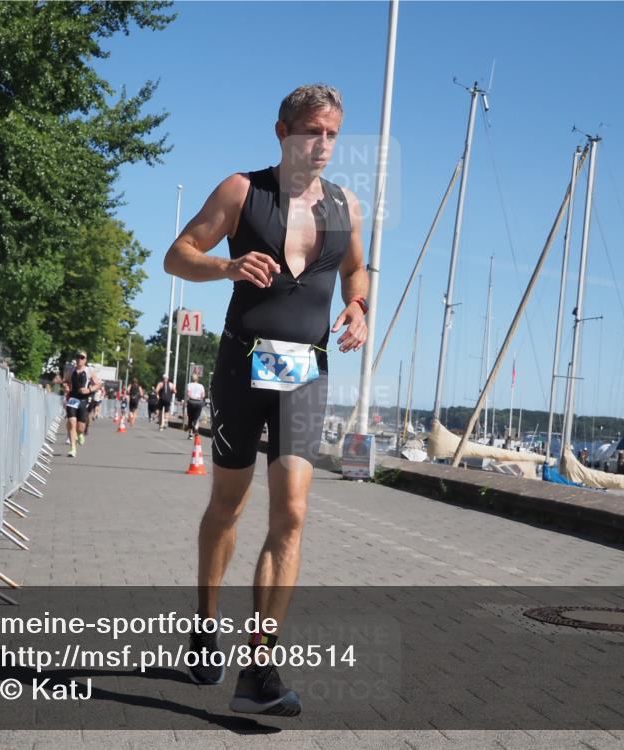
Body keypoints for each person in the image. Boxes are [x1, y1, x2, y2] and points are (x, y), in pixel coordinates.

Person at [163, 84, 368, 716]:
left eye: (332, 133)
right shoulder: (241, 191)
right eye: (312, 131)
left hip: (306, 373)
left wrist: (359, 306)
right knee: (227, 506)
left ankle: (259, 669)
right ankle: (203, 623)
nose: (323, 144)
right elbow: (178, 255)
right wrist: (224, 268)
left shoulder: (345, 206)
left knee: (293, 514)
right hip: (241, 369)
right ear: (282, 131)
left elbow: (357, 270)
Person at [64, 352, 100, 457]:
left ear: (85, 360)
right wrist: (65, 387)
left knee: (80, 427)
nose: (79, 359)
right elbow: (65, 381)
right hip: (72, 399)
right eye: (78, 357)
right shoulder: (71, 370)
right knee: (71, 423)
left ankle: (79, 434)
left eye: (82, 357)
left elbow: (98, 384)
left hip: (83, 401)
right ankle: (73, 449)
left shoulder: (89, 371)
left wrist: (89, 389)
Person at [184, 373, 206, 439]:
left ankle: (190, 434)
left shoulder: (189, 385)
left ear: (192, 378)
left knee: (190, 418)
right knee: (196, 418)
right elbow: (203, 395)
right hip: (198, 402)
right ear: (198, 379)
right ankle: (196, 427)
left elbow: (188, 393)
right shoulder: (201, 386)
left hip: (191, 401)